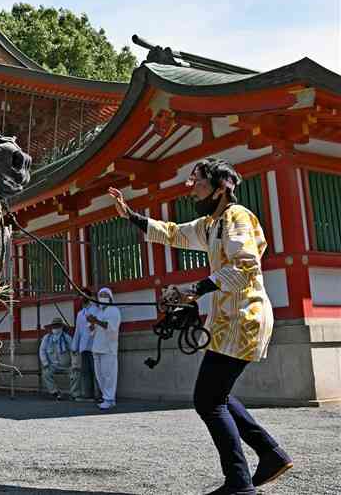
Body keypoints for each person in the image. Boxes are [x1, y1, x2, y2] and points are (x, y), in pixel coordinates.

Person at [109, 157, 293, 495]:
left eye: (198, 182)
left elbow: (244, 267)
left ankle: (240, 482)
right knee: (215, 395)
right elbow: (175, 233)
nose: (191, 188)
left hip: (245, 317)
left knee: (208, 399)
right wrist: (131, 216)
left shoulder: (237, 216)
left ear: (222, 188)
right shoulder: (212, 223)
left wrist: (194, 289)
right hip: (230, 320)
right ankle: (269, 453)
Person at [88, 287, 121, 410]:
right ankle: (106, 397)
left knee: (109, 375)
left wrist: (95, 321)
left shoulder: (114, 311)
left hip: (108, 348)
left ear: (110, 297)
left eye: (105, 295)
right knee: (100, 375)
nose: (102, 297)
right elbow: (92, 331)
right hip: (97, 347)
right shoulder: (99, 312)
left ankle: (109, 398)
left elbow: (110, 327)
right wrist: (91, 323)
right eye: (100, 295)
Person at [70, 288, 100, 402]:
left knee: (96, 370)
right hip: (83, 346)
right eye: (80, 296)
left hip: (94, 345)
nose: (81, 298)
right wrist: (75, 346)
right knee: (86, 371)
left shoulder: (96, 310)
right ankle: (88, 394)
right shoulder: (80, 314)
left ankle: (99, 394)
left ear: (88, 296)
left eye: (83, 295)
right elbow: (78, 331)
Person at [38, 317, 76, 400]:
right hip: (52, 365)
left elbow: (73, 351)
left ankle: (74, 394)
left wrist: (74, 364)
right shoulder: (46, 338)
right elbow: (42, 351)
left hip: (67, 365)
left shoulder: (67, 338)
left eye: (58, 326)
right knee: (46, 373)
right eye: (54, 327)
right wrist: (45, 363)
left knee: (75, 374)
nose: (56, 328)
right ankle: (55, 392)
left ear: (62, 327)